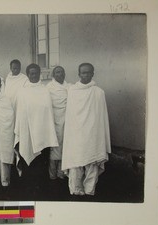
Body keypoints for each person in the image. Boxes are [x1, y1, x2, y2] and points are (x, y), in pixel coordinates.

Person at [61, 63, 111, 196]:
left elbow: (101, 117)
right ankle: (76, 189)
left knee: (92, 161)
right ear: (79, 74)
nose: (86, 75)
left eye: (88, 72)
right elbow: (70, 115)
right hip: (76, 133)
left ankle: (89, 189)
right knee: (76, 161)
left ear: (93, 73)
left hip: (93, 133)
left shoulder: (99, 93)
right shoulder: (72, 91)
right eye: (83, 73)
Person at [14, 63, 58, 190]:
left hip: (42, 132)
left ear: (40, 74)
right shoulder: (22, 91)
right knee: (28, 161)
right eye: (31, 73)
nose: (34, 76)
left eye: (36, 73)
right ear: (28, 75)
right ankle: (28, 185)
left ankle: (42, 185)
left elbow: (47, 111)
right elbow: (20, 112)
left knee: (41, 160)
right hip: (27, 131)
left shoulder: (45, 90)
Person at [46, 66, 72, 180]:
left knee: (65, 145)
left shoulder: (69, 87)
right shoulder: (49, 87)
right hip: (53, 119)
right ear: (53, 75)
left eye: (62, 72)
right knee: (54, 145)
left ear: (65, 74)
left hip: (66, 119)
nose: (60, 74)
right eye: (57, 72)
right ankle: (52, 175)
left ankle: (62, 173)